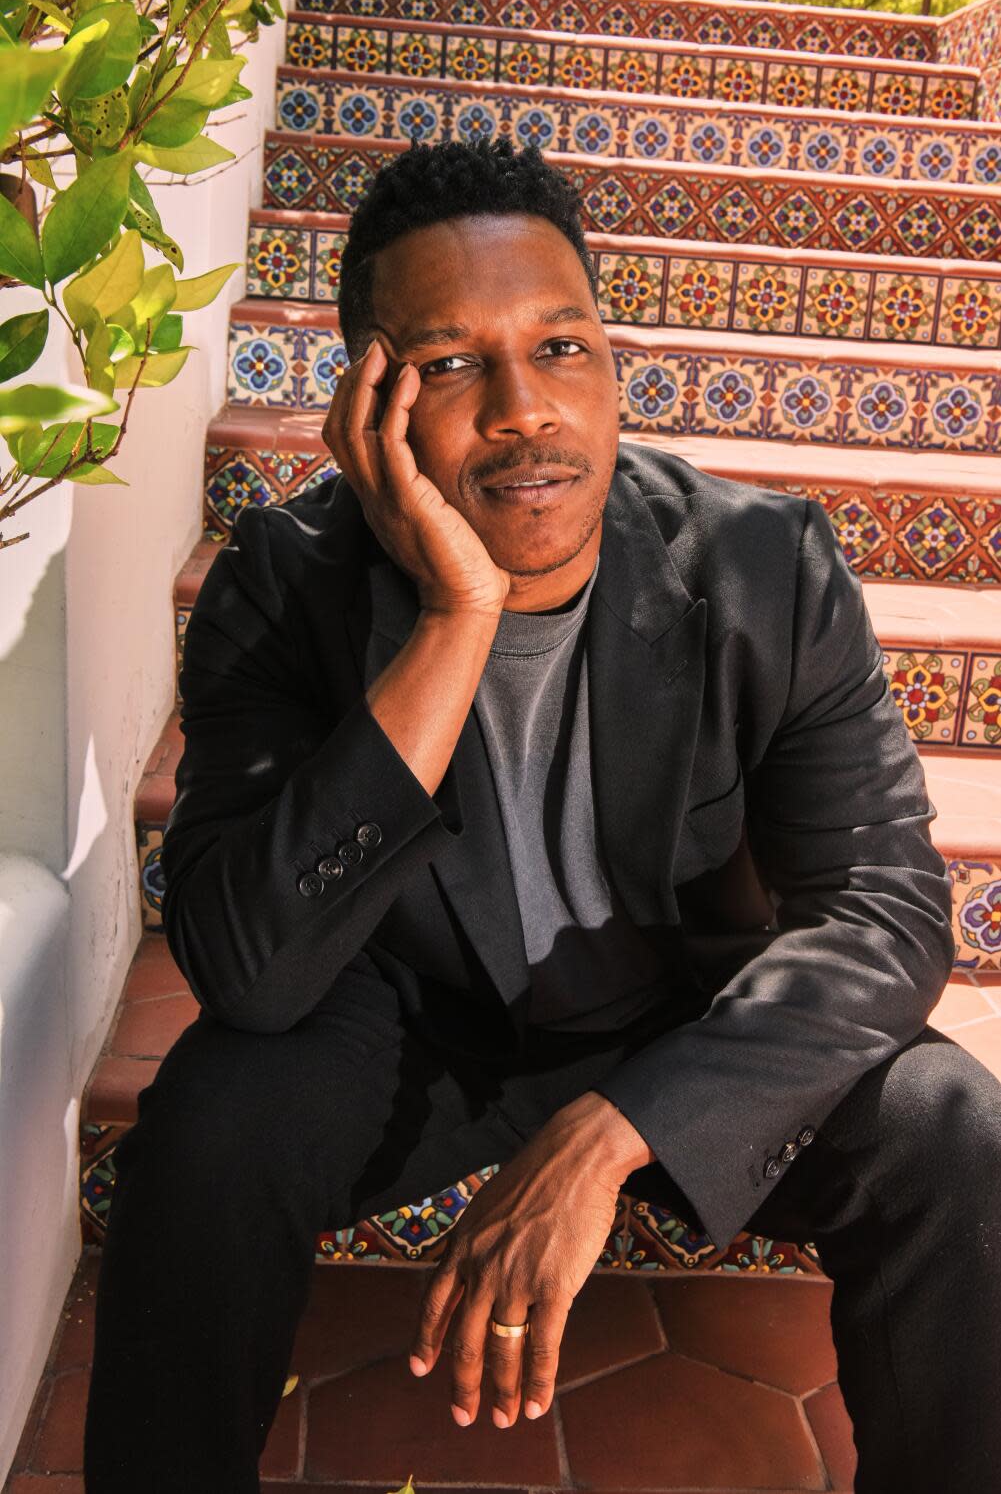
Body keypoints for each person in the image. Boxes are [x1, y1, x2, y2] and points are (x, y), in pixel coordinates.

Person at [83, 137, 1001, 1493]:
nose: (524, 409)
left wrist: (620, 1124)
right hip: (408, 1029)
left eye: (561, 347)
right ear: (368, 403)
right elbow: (248, 970)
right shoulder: (284, 584)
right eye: (452, 364)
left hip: (676, 1020)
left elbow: (881, 910)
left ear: (612, 367)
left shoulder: (762, 568)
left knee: (948, 1125)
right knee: (208, 1136)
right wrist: (455, 614)